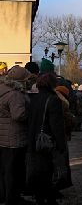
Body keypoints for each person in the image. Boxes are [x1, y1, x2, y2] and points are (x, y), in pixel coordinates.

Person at [26, 72, 68, 205]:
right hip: (47, 140)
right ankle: (49, 199)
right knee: (48, 170)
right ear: (52, 84)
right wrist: (61, 144)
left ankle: (40, 197)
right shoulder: (53, 99)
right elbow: (56, 124)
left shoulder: (34, 98)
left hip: (34, 139)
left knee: (38, 171)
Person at [0, 66, 31, 205]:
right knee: (13, 171)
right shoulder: (15, 94)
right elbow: (18, 115)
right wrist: (31, 113)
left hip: (2, 136)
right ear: (21, 80)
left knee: (4, 170)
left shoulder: (2, 90)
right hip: (14, 137)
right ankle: (13, 199)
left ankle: (3, 196)